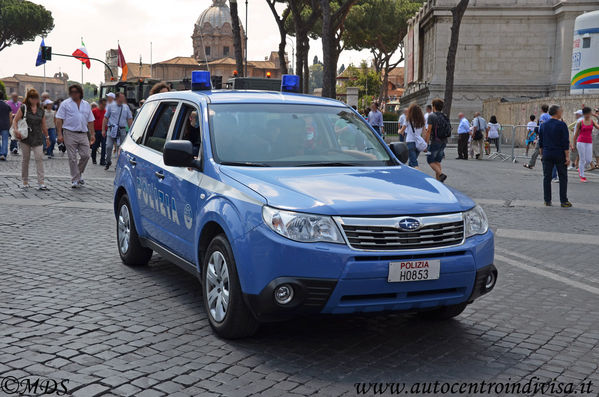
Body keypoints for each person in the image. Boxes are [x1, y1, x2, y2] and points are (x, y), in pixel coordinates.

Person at [56, 84, 95, 188]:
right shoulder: (65, 104)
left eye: (76, 92)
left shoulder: (86, 104)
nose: (74, 94)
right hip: (69, 133)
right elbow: (59, 119)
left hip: (83, 133)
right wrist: (59, 134)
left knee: (86, 155)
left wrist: (92, 134)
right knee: (72, 158)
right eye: (72, 92)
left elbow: (90, 120)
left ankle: (78, 174)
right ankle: (75, 179)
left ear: (80, 93)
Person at [11, 89, 50, 190]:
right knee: (25, 159)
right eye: (32, 98)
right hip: (25, 137)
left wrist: (47, 137)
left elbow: (44, 125)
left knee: (39, 158)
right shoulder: (24, 108)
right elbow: (15, 120)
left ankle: (41, 182)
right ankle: (25, 181)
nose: (34, 100)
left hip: (37, 137)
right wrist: (16, 130)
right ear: (28, 98)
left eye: (35, 98)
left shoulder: (41, 110)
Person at [538, 104, 571, 207]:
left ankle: (547, 200)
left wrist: (541, 154)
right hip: (559, 154)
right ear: (557, 112)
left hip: (547, 153)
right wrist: (567, 156)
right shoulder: (562, 125)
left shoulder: (543, 125)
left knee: (547, 177)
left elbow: (541, 141)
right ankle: (563, 200)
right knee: (563, 177)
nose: (562, 112)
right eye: (561, 111)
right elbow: (565, 142)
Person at [102, 92, 133, 170]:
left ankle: (118, 164)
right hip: (112, 129)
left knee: (120, 148)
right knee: (108, 146)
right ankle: (108, 161)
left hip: (122, 130)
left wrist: (131, 130)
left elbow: (129, 119)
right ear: (117, 98)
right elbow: (105, 118)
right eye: (121, 97)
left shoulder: (126, 107)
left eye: (123, 98)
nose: (123, 99)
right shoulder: (110, 106)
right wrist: (103, 129)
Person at [424, 98, 450, 182]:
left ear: (434, 106)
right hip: (444, 141)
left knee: (430, 160)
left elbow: (429, 131)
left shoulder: (432, 116)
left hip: (435, 141)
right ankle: (439, 180)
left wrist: (425, 143)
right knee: (437, 161)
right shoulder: (444, 116)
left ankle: (441, 175)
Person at [573, 107, 599, 183]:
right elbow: (576, 134)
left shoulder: (592, 121)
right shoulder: (580, 122)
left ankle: (581, 168)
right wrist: (573, 144)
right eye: (587, 113)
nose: (588, 115)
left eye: (589, 113)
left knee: (589, 160)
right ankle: (582, 176)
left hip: (589, 142)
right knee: (582, 159)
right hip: (581, 141)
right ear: (584, 114)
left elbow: (598, 127)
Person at [524, 104, 550, 169]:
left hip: (543, 136)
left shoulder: (542, 116)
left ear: (542, 109)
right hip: (548, 136)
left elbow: (541, 126)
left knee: (537, 151)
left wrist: (538, 135)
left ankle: (531, 164)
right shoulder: (549, 116)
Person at [401, 103, 426, 169]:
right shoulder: (422, 120)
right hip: (419, 142)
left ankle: (418, 176)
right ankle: (410, 176)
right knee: (411, 161)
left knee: (414, 162)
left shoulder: (408, 119)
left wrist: (398, 131)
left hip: (410, 141)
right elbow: (424, 133)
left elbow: (402, 131)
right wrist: (424, 142)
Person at [91, 98, 107, 165]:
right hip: (96, 131)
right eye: (103, 104)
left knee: (104, 146)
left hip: (104, 131)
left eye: (105, 105)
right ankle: (93, 158)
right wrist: (92, 132)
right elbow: (91, 121)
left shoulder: (106, 111)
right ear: (100, 104)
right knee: (95, 146)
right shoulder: (94, 111)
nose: (104, 106)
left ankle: (102, 160)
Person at [0, 91, 11, 161]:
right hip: (5, 124)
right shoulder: (7, 105)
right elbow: (10, 116)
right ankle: (4, 154)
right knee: (5, 140)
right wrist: (10, 125)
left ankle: (0, 152)